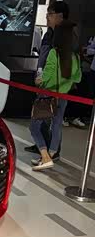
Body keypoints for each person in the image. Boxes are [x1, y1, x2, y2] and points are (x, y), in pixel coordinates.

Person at [30, 20, 81, 171]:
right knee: (57, 125)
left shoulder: (54, 53)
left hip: (47, 95)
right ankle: (50, 155)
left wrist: (39, 79)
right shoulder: (75, 57)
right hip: (64, 96)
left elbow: (46, 76)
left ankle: (45, 157)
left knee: (34, 126)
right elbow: (77, 78)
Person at [25, 1, 71, 158]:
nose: (47, 17)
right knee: (44, 116)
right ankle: (44, 147)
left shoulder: (63, 36)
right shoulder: (49, 34)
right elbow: (44, 58)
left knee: (53, 119)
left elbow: (57, 64)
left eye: (50, 14)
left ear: (60, 16)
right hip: (46, 82)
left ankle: (51, 152)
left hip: (55, 84)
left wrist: (45, 79)